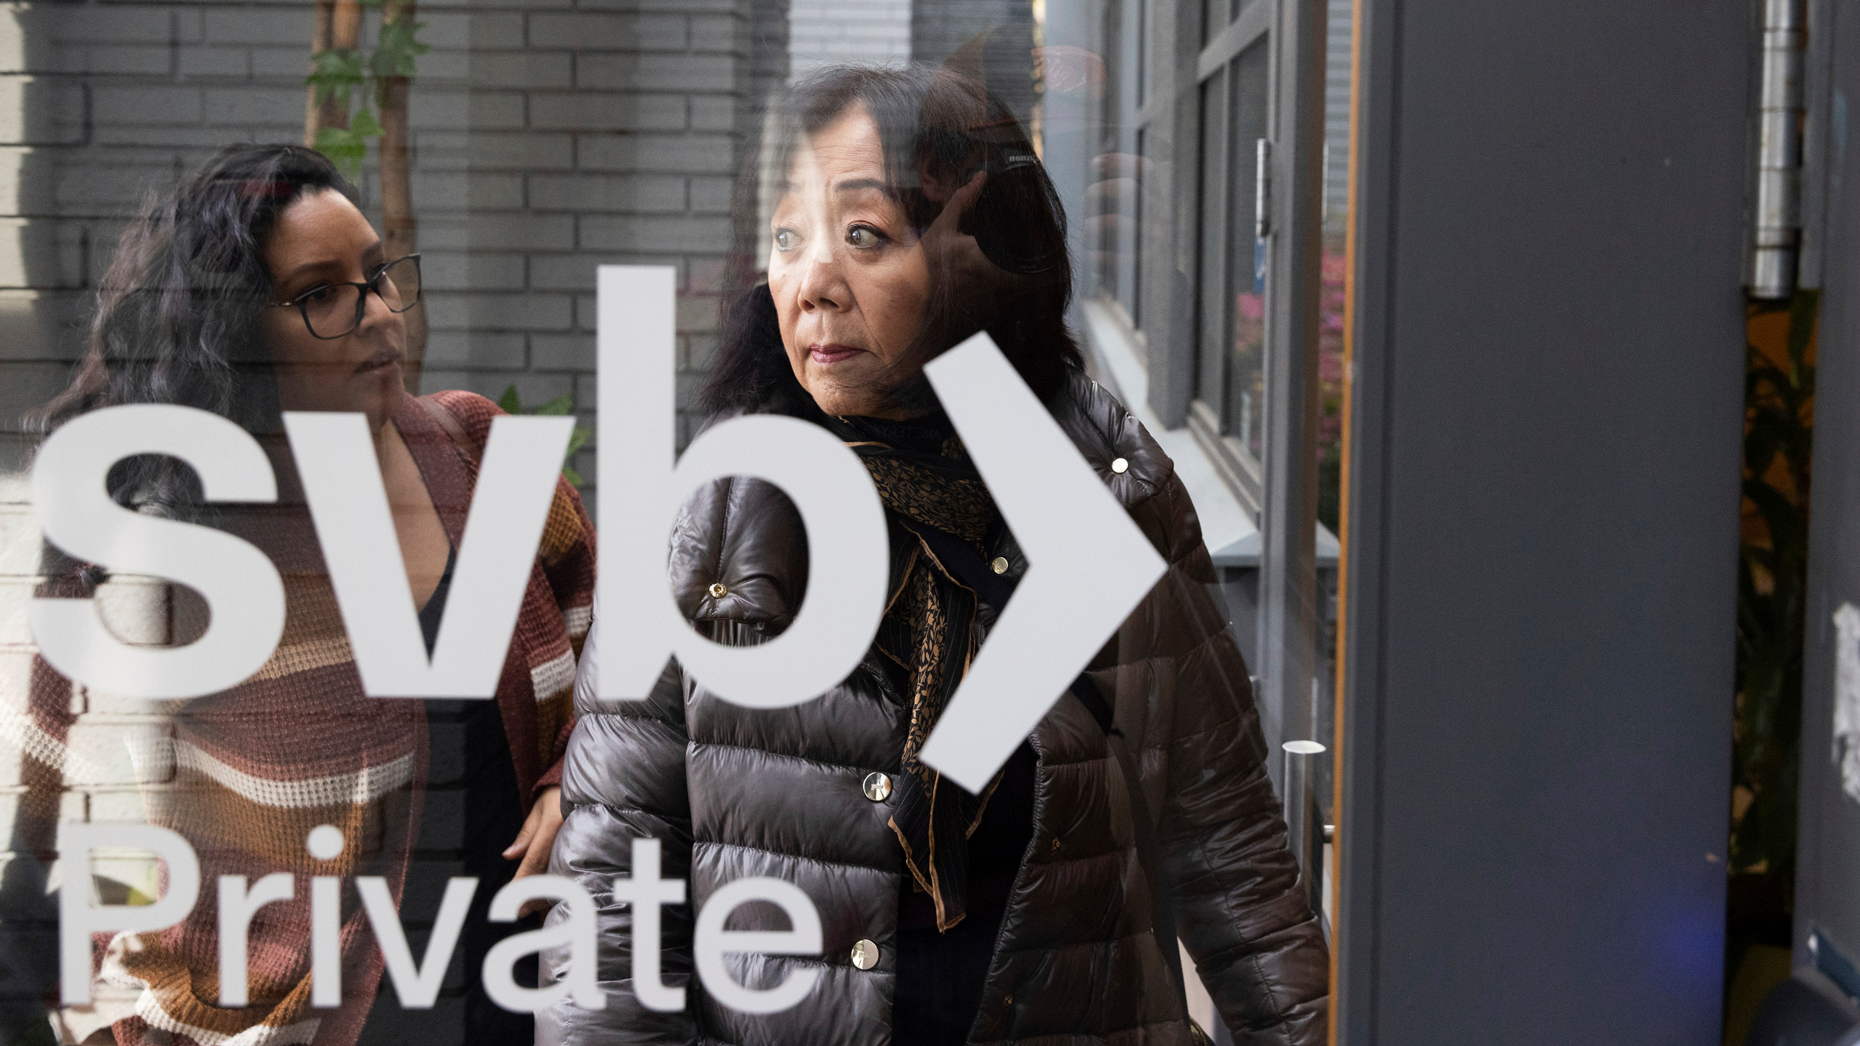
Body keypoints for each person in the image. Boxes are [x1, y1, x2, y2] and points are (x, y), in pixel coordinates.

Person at [541, 64, 1327, 1045]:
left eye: (864, 235)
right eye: (789, 237)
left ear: (981, 261)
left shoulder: (1101, 492)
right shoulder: (709, 523)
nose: (813, 284)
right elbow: (610, 919)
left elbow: (1226, 843)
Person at [13, 144, 594, 1045]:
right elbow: (79, 856)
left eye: (377, 275)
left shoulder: (482, 452)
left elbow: (626, 675)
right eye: (318, 295)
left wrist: (573, 778)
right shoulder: (169, 555)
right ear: (234, 333)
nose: (374, 313)